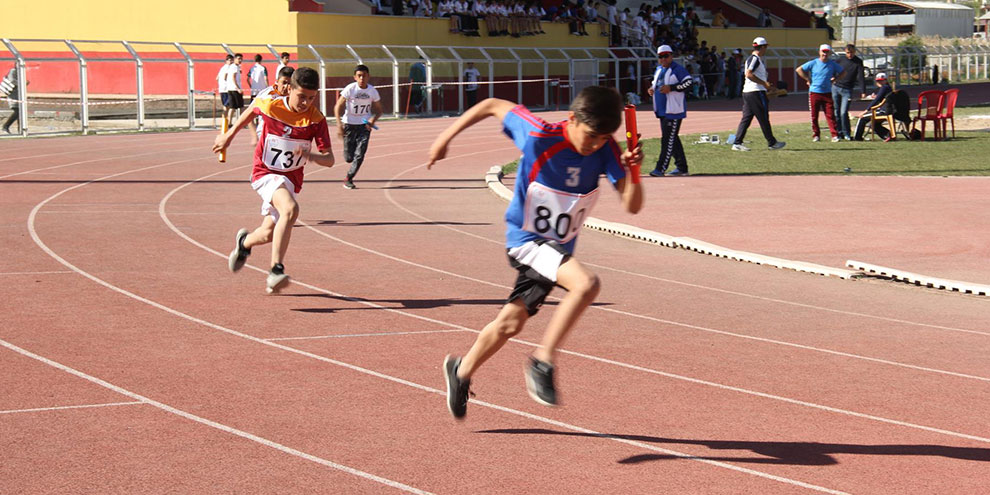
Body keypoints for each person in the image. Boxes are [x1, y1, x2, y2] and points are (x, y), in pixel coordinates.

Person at [428, 86, 644, 419]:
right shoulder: (538, 134)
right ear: (572, 119)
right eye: (590, 136)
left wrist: (633, 172)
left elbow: (632, 206)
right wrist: (445, 137)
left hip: (555, 252)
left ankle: (461, 370)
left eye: (603, 138)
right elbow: (491, 104)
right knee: (586, 285)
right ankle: (542, 361)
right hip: (526, 241)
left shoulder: (606, 148)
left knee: (509, 324)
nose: (595, 145)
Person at [213, 67, 336, 294]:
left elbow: (330, 160)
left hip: (290, 179)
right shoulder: (271, 105)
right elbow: (250, 111)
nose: (305, 103)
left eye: (311, 98)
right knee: (290, 210)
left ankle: (244, 243)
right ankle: (275, 271)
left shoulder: (316, 120)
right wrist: (228, 137)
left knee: (268, 234)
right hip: (265, 172)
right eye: (301, 96)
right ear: (289, 89)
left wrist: (313, 157)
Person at [731, 37, 786, 152]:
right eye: (765, 47)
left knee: (746, 118)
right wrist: (764, 84)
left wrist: (768, 86)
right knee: (763, 118)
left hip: (750, 92)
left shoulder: (754, 59)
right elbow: (749, 74)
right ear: (763, 47)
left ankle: (737, 142)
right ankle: (772, 142)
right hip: (755, 92)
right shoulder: (755, 59)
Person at [334, 64, 383, 190]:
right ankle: (349, 154)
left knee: (360, 154)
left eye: (364, 76)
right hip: (349, 124)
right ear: (355, 77)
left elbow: (379, 110)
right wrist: (339, 124)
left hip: (364, 125)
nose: (362, 78)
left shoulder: (372, 91)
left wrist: (373, 120)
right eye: (359, 76)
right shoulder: (350, 89)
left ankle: (349, 178)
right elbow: (337, 106)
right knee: (349, 158)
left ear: (368, 76)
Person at [648, 45, 692, 177]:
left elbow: (688, 83)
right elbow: (657, 83)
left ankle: (660, 168)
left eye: (666, 56)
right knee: (672, 139)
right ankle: (682, 167)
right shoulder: (659, 70)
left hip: (673, 111)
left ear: (671, 56)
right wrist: (652, 88)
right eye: (661, 57)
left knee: (667, 140)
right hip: (662, 110)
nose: (663, 59)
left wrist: (672, 88)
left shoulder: (677, 69)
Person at [796, 44, 845, 142]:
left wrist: (835, 79)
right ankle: (816, 135)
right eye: (823, 52)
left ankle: (834, 135)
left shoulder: (832, 64)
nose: (825, 54)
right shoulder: (813, 63)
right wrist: (807, 79)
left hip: (827, 93)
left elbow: (843, 72)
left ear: (830, 53)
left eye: (827, 52)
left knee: (830, 115)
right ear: (819, 52)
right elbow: (799, 69)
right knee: (814, 116)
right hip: (814, 92)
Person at [248, 65, 294, 147]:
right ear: (277, 81)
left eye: (290, 83)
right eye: (284, 82)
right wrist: (254, 135)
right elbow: (248, 115)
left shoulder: (295, 96)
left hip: (285, 137)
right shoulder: (266, 95)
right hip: (266, 136)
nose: (286, 86)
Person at [832, 44, 866, 140]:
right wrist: (832, 77)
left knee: (843, 112)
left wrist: (863, 91)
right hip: (836, 87)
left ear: (855, 52)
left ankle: (846, 133)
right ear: (845, 52)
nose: (850, 54)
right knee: (836, 111)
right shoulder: (840, 60)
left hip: (847, 90)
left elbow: (860, 77)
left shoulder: (858, 62)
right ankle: (838, 133)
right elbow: (832, 68)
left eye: (852, 52)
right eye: (848, 52)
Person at [853, 72, 893, 141]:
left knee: (862, 118)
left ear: (886, 80)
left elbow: (876, 100)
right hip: (889, 110)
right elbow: (881, 97)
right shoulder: (888, 88)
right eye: (878, 81)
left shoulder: (884, 87)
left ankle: (857, 138)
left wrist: (865, 111)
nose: (880, 82)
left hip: (884, 110)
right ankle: (887, 135)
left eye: (881, 80)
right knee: (874, 124)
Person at [223, 53, 245, 126]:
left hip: (230, 89)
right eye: (238, 59)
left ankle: (229, 122)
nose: (240, 60)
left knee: (232, 107)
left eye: (241, 59)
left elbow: (226, 77)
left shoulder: (232, 67)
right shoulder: (235, 67)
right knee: (241, 106)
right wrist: (238, 88)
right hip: (235, 89)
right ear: (235, 59)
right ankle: (242, 122)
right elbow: (233, 77)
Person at [1, 65, 22, 134]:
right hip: (13, 94)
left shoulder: (19, 71)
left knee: (20, 112)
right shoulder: (13, 71)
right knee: (17, 111)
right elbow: (12, 80)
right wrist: (22, 83)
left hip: (18, 94)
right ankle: (6, 126)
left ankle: (20, 129)